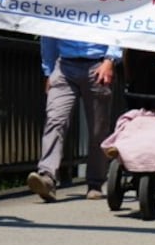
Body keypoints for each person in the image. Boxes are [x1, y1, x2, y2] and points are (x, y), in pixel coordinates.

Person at [26, 38, 121, 201]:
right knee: (55, 120)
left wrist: (110, 60)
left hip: (98, 64)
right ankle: (47, 177)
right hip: (64, 65)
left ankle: (95, 182)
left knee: (98, 129)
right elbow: (49, 36)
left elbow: (117, 28)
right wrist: (48, 71)